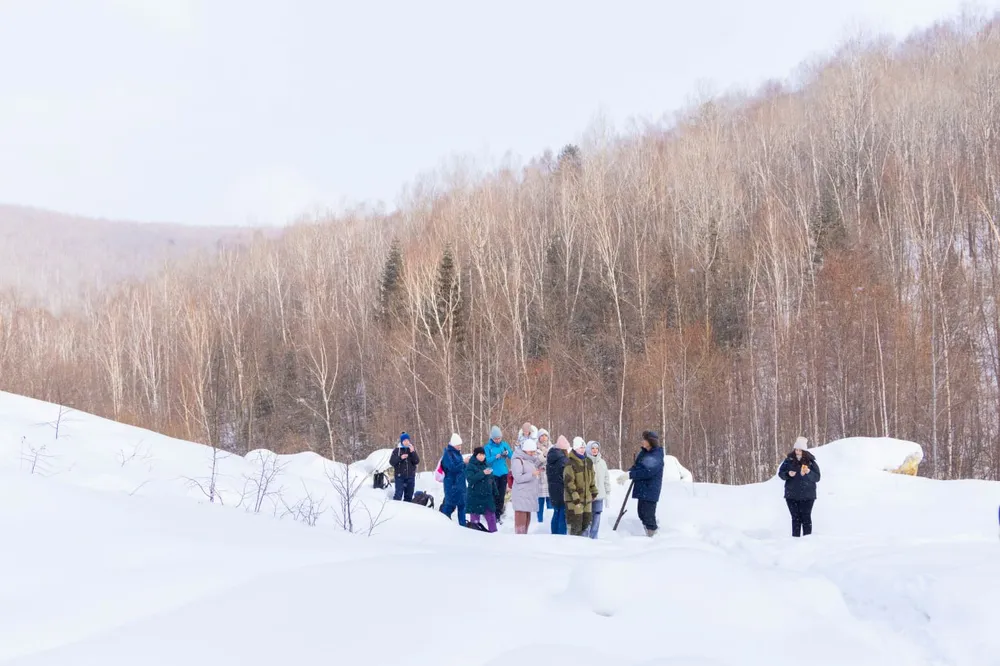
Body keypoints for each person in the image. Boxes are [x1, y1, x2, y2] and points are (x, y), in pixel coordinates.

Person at [777, 436, 821, 537]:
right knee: (795, 518)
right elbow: (781, 473)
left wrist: (809, 472)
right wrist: (788, 474)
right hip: (791, 495)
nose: (797, 452)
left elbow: (817, 477)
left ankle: (807, 539)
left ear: (804, 451)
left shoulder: (811, 462)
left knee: (806, 518)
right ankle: (795, 539)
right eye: (796, 449)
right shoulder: (789, 460)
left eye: (800, 450)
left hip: (808, 495)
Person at [628, 430, 665, 537]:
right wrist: (629, 472)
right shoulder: (644, 453)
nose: (642, 441)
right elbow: (638, 466)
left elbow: (647, 472)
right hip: (643, 489)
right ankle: (649, 534)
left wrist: (631, 475)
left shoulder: (656, 455)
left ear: (651, 441)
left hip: (650, 489)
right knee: (641, 513)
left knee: (648, 515)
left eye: (645, 439)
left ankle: (653, 536)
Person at [565, 437, 599, 537]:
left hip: (587, 499)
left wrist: (594, 491)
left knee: (586, 523)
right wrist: (575, 497)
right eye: (580, 447)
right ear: (575, 448)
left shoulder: (588, 462)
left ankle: (584, 548)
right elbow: (569, 483)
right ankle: (574, 547)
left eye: (584, 447)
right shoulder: (570, 463)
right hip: (574, 501)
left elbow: (592, 479)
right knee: (576, 525)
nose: (582, 449)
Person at [510, 438, 543, 534]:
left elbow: (533, 466)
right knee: (520, 527)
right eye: (531, 451)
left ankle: (524, 543)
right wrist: (532, 474)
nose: (533, 453)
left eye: (534, 451)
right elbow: (518, 478)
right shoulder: (518, 460)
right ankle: (519, 544)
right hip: (521, 496)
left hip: (528, 496)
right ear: (525, 450)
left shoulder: (530, 460)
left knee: (526, 524)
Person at [484, 426, 514, 522]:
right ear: (492, 438)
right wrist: (495, 457)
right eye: (496, 438)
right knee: (493, 495)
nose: (498, 440)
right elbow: (486, 461)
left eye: (499, 438)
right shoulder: (488, 447)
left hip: (503, 473)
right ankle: (491, 515)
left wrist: (507, 452)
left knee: (501, 495)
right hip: (493, 474)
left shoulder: (504, 444)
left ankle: (498, 515)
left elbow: (512, 456)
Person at [466, 446, 497, 532]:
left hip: (487, 495)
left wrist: (495, 491)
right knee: (475, 518)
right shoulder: (470, 466)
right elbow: (470, 479)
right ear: (475, 455)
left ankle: (494, 534)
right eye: (480, 455)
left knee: (491, 515)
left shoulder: (486, 464)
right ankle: (475, 533)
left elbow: (491, 479)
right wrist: (482, 473)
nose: (482, 456)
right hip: (475, 495)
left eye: (483, 455)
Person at [439, 433, 467, 526]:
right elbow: (452, 468)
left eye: (460, 445)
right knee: (449, 506)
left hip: (460, 485)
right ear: (453, 444)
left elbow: (461, 469)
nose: (460, 446)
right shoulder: (447, 454)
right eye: (458, 445)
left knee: (462, 506)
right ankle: (444, 524)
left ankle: (463, 527)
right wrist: (463, 463)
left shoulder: (457, 454)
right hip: (451, 485)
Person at [587, 441, 611, 539]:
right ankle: (585, 538)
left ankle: (594, 537)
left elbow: (606, 478)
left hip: (600, 495)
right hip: (588, 496)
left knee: (597, 516)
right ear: (589, 449)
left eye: (596, 448)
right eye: (592, 448)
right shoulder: (585, 462)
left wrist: (608, 493)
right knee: (588, 517)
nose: (595, 450)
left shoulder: (602, 462)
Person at [546, 435, 570, 534]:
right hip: (562, 489)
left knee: (556, 511)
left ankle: (554, 532)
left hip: (552, 489)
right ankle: (561, 534)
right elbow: (566, 476)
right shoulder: (563, 460)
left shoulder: (550, 457)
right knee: (563, 513)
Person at [389, 432, 420, 502]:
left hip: (410, 476)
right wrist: (400, 457)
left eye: (407, 440)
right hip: (400, 477)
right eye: (404, 440)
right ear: (402, 441)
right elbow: (392, 462)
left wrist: (413, 452)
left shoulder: (411, 449)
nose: (406, 442)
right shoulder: (397, 450)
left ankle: (406, 511)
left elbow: (416, 461)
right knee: (398, 495)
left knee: (409, 496)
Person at [536, 429, 552, 522]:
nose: (544, 437)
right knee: (540, 503)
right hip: (540, 479)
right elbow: (534, 462)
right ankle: (540, 522)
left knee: (550, 502)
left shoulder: (552, 447)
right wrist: (543, 456)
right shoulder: (535, 448)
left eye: (545, 435)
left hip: (550, 477)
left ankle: (549, 522)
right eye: (542, 436)